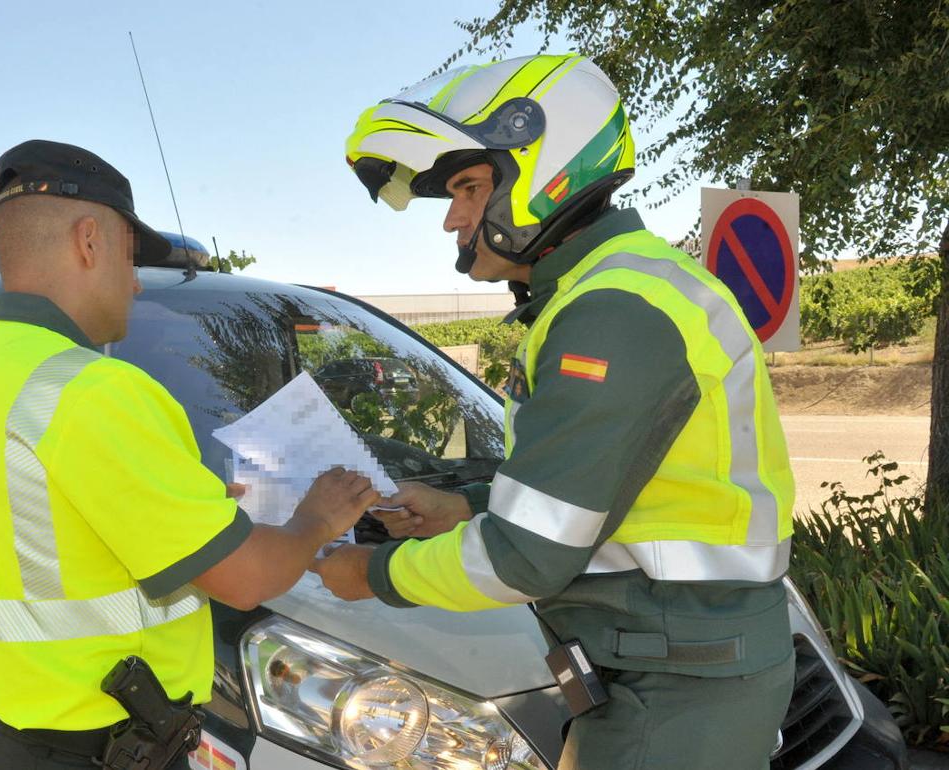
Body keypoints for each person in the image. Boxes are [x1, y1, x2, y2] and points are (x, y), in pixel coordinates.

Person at [314, 55, 796, 769]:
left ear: (545, 171)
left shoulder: (613, 311)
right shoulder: (619, 289)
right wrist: (466, 507)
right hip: (676, 665)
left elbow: (526, 557)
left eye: (470, 189)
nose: (453, 218)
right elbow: (597, 489)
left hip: (673, 688)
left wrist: (370, 576)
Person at [0, 139, 379, 770]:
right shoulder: (91, 388)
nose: (136, 283)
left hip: (3, 737)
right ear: (90, 240)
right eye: (132, 258)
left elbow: (48, 534)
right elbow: (246, 580)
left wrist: (179, 509)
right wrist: (318, 519)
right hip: (97, 748)